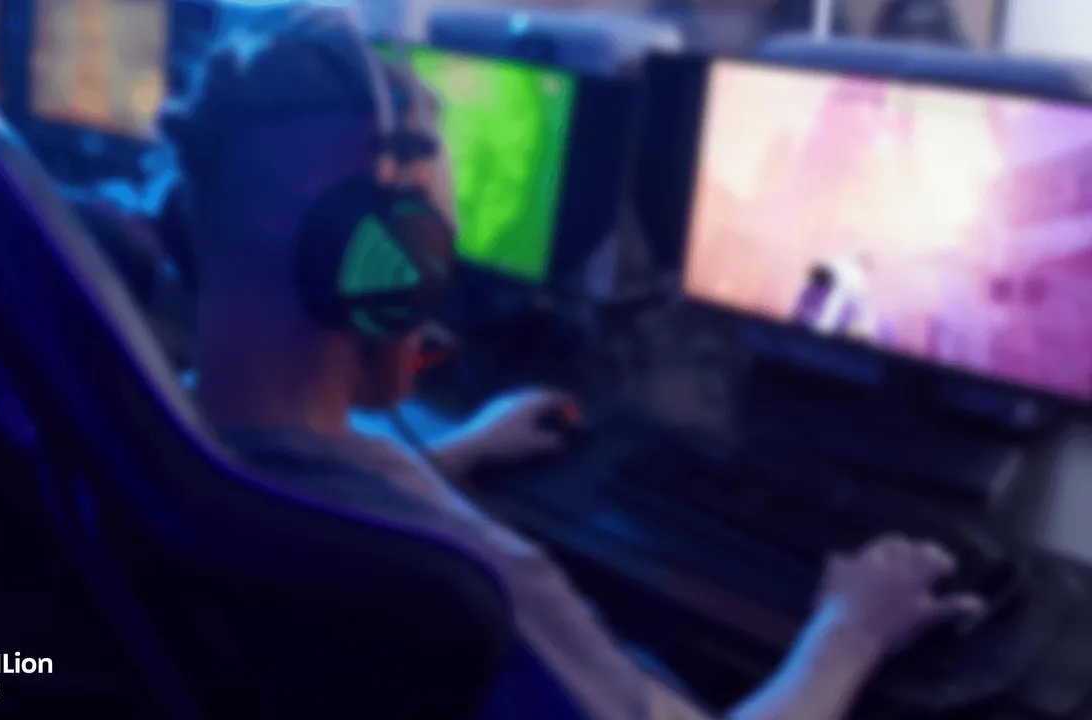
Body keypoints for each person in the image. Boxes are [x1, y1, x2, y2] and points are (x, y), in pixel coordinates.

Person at [160, 8, 984, 719]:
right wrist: (849, 629)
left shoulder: (151, 414)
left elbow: (302, 487)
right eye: (432, 260)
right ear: (384, 280)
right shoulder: (473, 577)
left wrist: (451, 453)